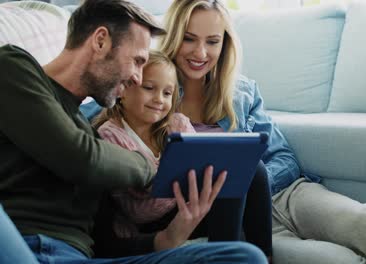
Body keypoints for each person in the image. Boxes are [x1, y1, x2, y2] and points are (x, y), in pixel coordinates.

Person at [80, 0, 366, 264]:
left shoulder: (242, 90)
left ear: (224, 44)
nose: (200, 52)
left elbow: (284, 158)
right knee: (335, 260)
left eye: (212, 41)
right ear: (174, 36)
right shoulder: (146, 90)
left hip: (283, 193)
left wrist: (245, 166)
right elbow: (100, 123)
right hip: (220, 213)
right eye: (190, 38)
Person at [0, 0, 267, 263]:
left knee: (245, 257)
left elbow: (106, 243)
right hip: (19, 245)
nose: (139, 78)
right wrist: (154, 169)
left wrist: (170, 235)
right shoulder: (14, 69)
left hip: (79, 257)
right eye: (137, 60)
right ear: (101, 41)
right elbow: (82, 158)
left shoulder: (91, 135)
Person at [89, 50, 271, 260]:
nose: (159, 99)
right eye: (149, 88)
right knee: (223, 178)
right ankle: (225, 253)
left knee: (252, 170)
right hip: (150, 221)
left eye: (167, 93)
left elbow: (202, 161)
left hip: (187, 205)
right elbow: (136, 205)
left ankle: (265, 254)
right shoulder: (110, 136)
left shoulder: (176, 124)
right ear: (123, 90)